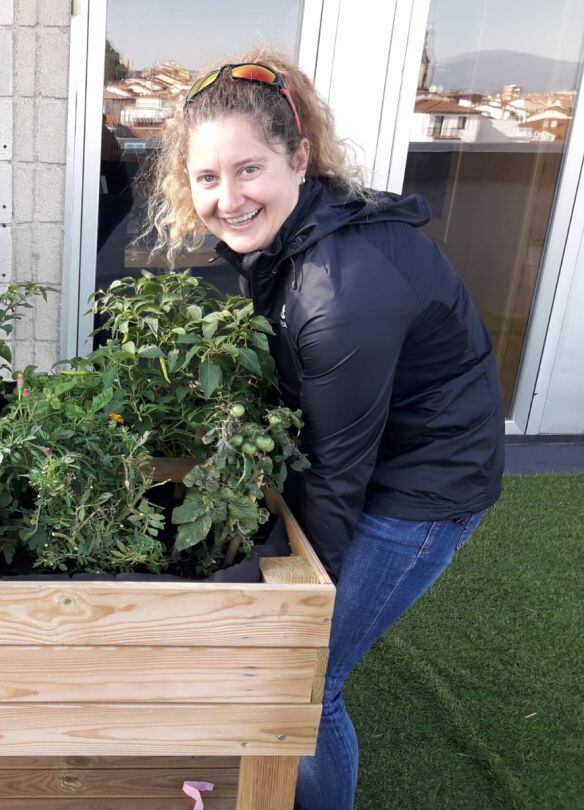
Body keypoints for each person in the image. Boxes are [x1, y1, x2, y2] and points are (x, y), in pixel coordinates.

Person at [145, 50, 504, 809]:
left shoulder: (343, 291)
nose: (227, 197)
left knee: (305, 678)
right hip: (377, 444)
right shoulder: (299, 232)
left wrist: (282, 597)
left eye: (250, 171)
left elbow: (337, 479)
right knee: (282, 649)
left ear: (299, 159)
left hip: (425, 484)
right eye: (207, 178)